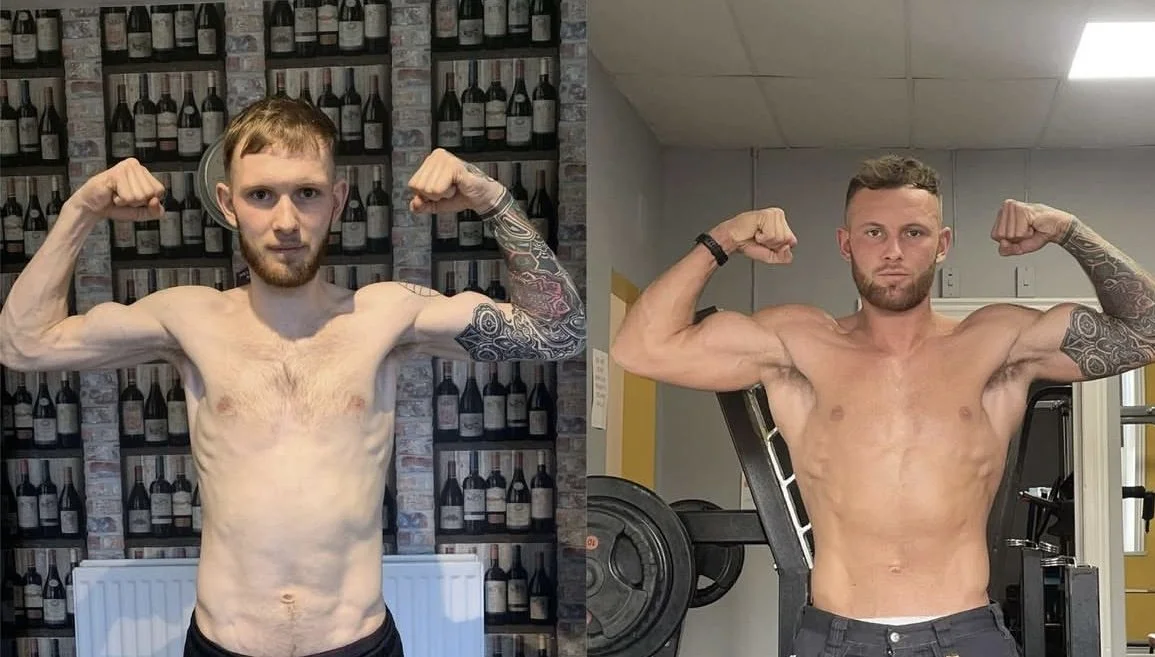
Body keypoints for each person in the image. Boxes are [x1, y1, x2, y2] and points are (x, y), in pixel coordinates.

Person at [0, 97, 585, 657]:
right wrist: (81, 209)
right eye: (261, 195)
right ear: (228, 204)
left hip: (357, 644)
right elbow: (23, 344)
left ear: (337, 199)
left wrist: (491, 198)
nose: (285, 221)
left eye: (306, 193)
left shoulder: (385, 315)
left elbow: (560, 331)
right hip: (223, 646)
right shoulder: (187, 318)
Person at [611, 155, 1155, 657]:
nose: (893, 250)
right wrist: (724, 238)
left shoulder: (996, 343)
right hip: (837, 635)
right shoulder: (797, 345)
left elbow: (1148, 332)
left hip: (965, 634)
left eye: (913, 233)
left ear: (942, 244)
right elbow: (639, 348)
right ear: (847, 244)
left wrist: (1069, 233)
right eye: (874, 233)